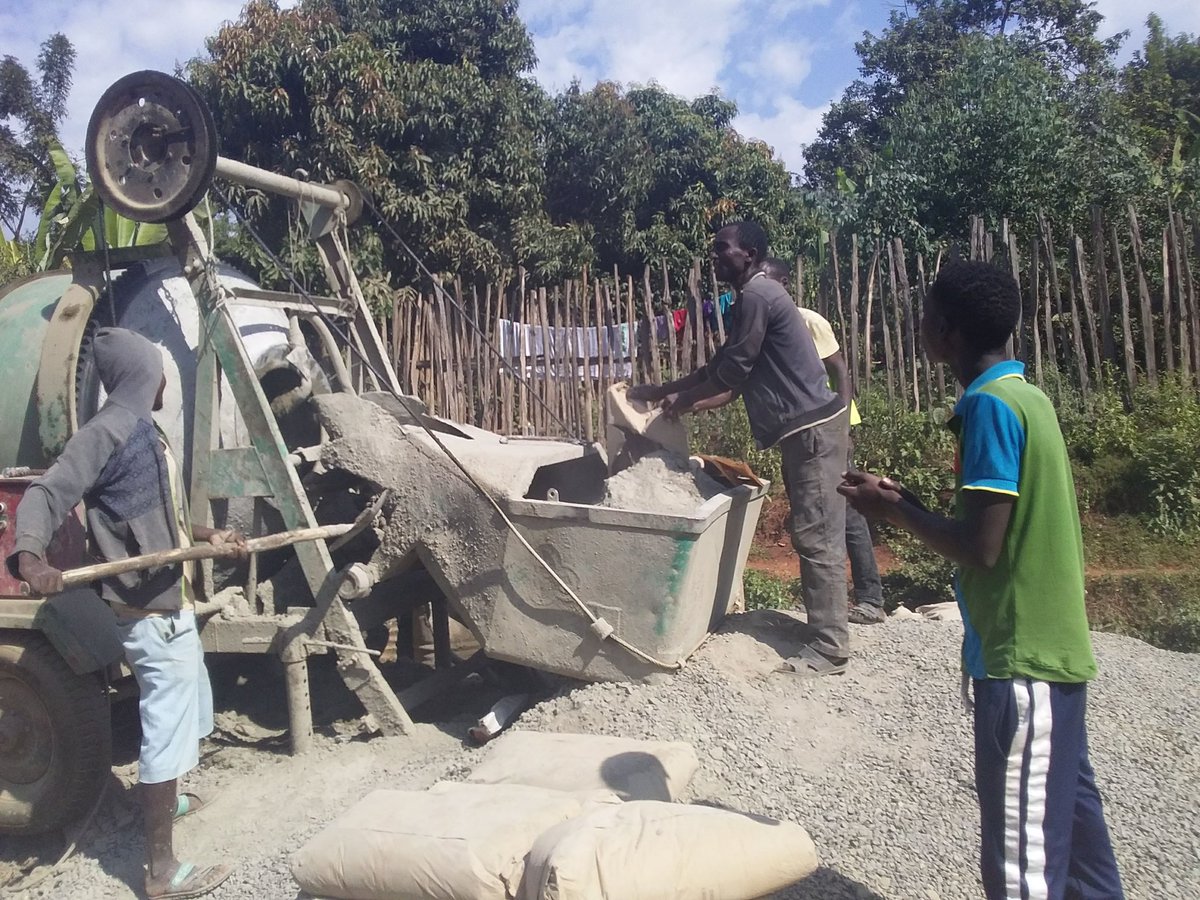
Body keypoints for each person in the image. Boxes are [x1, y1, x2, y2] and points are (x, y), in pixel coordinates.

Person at [839, 262, 1124, 899]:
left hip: (1021, 666)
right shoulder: (1026, 395)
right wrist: (905, 499)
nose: (917, 327)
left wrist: (889, 510)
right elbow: (995, 524)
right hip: (1052, 659)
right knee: (1079, 857)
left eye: (923, 316)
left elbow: (981, 548)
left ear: (944, 331)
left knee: (1022, 871)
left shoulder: (989, 407)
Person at [8, 328, 239, 900]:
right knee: (166, 725)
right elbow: (46, 494)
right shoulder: (107, 432)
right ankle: (160, 873)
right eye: (160, 370)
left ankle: (164, 799)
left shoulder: (143, 429)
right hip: (146, 612)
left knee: (184, 713)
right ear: (141, 375)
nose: (165, 381)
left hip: (168, 601)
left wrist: (210, 535)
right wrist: (29, 558)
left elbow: (161, 515)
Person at [629, 222, 851, 676]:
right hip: (804, 430)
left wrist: (684, 399)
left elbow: (733, 373)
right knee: (814, 529)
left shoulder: (757, 296)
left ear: (747, 253)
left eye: (722, 249)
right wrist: (662, 392)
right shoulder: (753, 298)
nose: (715, 256)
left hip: (811, 431)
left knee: (817, 533)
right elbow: (724, 369)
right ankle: (825, 632)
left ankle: (830, 647)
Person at [759, 258, 886, 625]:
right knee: (819, 514)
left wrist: (841, 419)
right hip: (802, 430)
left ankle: (869, 598)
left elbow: (839, 370)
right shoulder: (765, 322)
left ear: (783, 282)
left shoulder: (808, 321)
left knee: (844, 512)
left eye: (767, 281)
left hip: (829, 426)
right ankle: (834, 603)